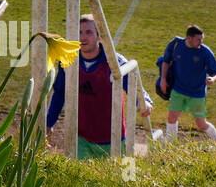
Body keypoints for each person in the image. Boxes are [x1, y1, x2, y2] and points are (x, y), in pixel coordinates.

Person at [46, 14, 153, 159]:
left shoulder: (114, 62)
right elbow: (59, 93)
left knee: (121, 178)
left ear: (99, 36)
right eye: (79, 32)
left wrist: (144, 101)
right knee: (78, 179)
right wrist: (48, 123)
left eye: (88, 32)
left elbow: (133, 82)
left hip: (113, 139)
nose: (83, 37)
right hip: (81, 139)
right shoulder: (69, 61)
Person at [158, 25, 216, 142]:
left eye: (202, 39)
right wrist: (163, 79)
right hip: (178, 90)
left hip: (197, 94)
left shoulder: (205, 52)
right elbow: (166, 61)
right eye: (199, 39)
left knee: (201, 123)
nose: (201, 42)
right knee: (172, 118)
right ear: (189, 38)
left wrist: (213, 79)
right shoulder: (176, 45)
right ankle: (170, 145)